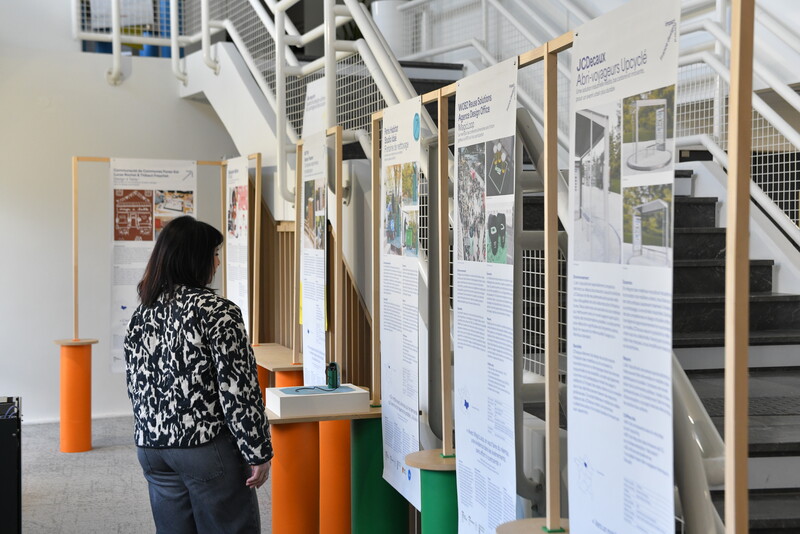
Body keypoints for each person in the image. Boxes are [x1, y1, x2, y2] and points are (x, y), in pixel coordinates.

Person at [124, 216, 273, 534]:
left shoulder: (142, 312)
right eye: (214, 253)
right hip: (204, 448)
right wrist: (257, 451)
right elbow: (239, 389)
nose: (218, 262)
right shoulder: (218, 311)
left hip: (152, 450)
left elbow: (136, 385)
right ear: (196, 258)